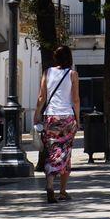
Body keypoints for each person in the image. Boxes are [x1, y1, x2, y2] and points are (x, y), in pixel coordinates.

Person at [35, 46, 80, 203]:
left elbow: (42, 97)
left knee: (52, 151)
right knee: (66, 154)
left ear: (55, 57)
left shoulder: (47, 73)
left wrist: (36, 114)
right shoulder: (73, 74)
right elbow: (75, 100)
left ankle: (49, 184)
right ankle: (62, 191)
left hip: (50, 117)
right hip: (67, 118)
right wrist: (78, 119)